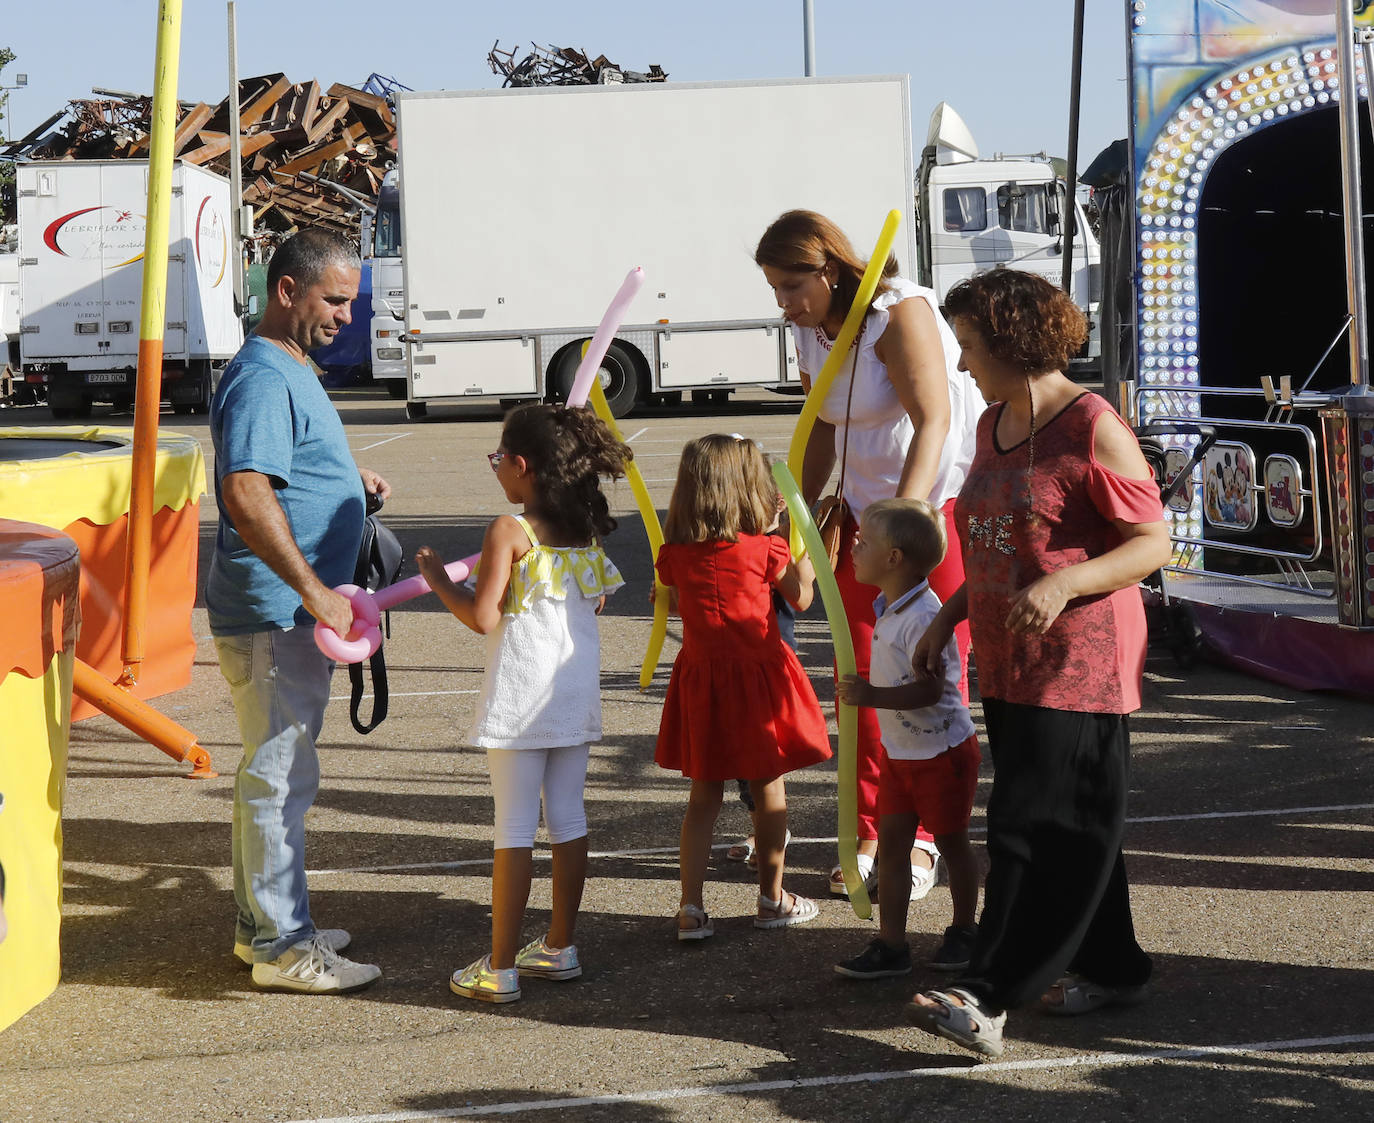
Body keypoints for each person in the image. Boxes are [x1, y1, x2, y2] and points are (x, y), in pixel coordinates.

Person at [907, 269, 1171, 1058]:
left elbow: (1153, 542)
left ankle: (987, 993)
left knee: (1027, 826)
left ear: (1015, 343)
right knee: (1075, 825)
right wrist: (950, 615)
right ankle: (1114, 965)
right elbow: (992, 543)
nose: (961, 365)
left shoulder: (1092, 423)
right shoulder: (991, 424)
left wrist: (1066, 582)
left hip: (1080, 666)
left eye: (970, 347)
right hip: (1008, 660)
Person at [755, 210, 983, 901]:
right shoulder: (809, 329)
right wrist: (790, 515)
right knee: (858, 680)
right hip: (862, 522)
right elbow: (821, 427)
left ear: (829, 267)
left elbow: (934, 418)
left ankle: (921, 842)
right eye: (775, 289)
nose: (786, 304)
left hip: (928, 518)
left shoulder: (896, 311)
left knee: (927, 671)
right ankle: (870, 834)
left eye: (795, 285)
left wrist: (905, 522)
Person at [208, 228, 390, 993]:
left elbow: (282, 470)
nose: (349, 315)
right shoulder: (262, 375)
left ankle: (266, 927)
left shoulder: (289, 366)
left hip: (288, 611)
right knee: (278, 778)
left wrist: (351, 481)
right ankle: (284, 943)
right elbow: (246, 490)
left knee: (276, 772)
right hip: (280, 612)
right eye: (335, 300)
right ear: (288, 291)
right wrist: (316, 590)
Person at [416, 404, 630, 1003]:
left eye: (498, 458)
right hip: (572, 694)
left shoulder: (509, 531)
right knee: (568, 818)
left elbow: (482, 618)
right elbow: (596, 604)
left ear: (522, 465)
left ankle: (500, 966)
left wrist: (437, 577)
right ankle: (560, 945)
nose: (496, 469)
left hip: (521, 697)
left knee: (513, 828)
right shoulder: (582, 530)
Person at [654, 434, 830, 938]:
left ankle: (691, 907)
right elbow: (800, 599)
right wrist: (808, 550)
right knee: (769, 789)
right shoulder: (765, 548)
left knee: (702, 797)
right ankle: (772, 899)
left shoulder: (676, 554)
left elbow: (667, 587)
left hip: (702, 680)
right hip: (757, 681)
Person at [832, 499, 982, 979]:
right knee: (892, 847)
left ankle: (964, 930)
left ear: (894, 558)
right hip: (902, 755)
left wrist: (870, 694)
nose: (853, 548)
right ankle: (891, 944)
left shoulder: (922, 615)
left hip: (940, 753)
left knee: (953, 843)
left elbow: (930, 689)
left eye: (864, 543)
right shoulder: (890, 606)